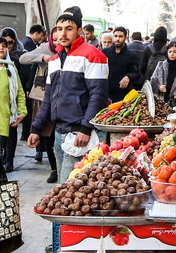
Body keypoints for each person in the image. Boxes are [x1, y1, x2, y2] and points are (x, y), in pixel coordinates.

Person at [27, 6, 108, 183]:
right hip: (60, 133)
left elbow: (98, 96)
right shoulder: (55, 60)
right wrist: (36, 128)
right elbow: (48, 99)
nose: (62, 34)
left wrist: (86, 128)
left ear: (79, 30)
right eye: (59, 29)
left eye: (69, 29)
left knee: (71, 188)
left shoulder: (93, 55)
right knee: (65, 189)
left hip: (82, 133)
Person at [20, 27, 60, 183]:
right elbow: (23, 58)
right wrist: (42, 57)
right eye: (54, 39)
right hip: (44, 98)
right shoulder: (44, 48)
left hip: (62, 100)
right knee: (46, 135)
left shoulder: (70, 53)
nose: (57, 42)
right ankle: (54, 169)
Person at [0, 36, 27, 169]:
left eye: (4, 46)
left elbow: (19, 92)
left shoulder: (11, 68)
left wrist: (22, 112)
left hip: (5, 118)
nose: (1, 48)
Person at [1, 27, 27, 171]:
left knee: (11, 131)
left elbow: (22, 83)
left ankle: (9, 160)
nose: (6, 47)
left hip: (14, 100)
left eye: (9, 43)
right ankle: (2, 158)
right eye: (3, 43)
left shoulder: (20, 56)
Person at [19, 25, 46, 144]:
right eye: (41, 35)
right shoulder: (29, 44)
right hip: (33, 87)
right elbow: (29, 67)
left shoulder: (28, 43)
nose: (41, 38)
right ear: (37, 33)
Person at [150, 41, 176, 106]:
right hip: (162, 102)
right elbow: (153, 81)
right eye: (170, 52)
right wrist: (159, 87)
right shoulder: (161, 65)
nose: (172, 54)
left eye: (175, 52)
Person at [102, 27, 140, 102]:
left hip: (123, 96)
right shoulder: (105, 52)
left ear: (125, 38)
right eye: (115, 36)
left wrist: (128, 77)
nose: (117, 39)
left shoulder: (132, 55)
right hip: (106, 93)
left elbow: (137, 73)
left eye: (120, 36)